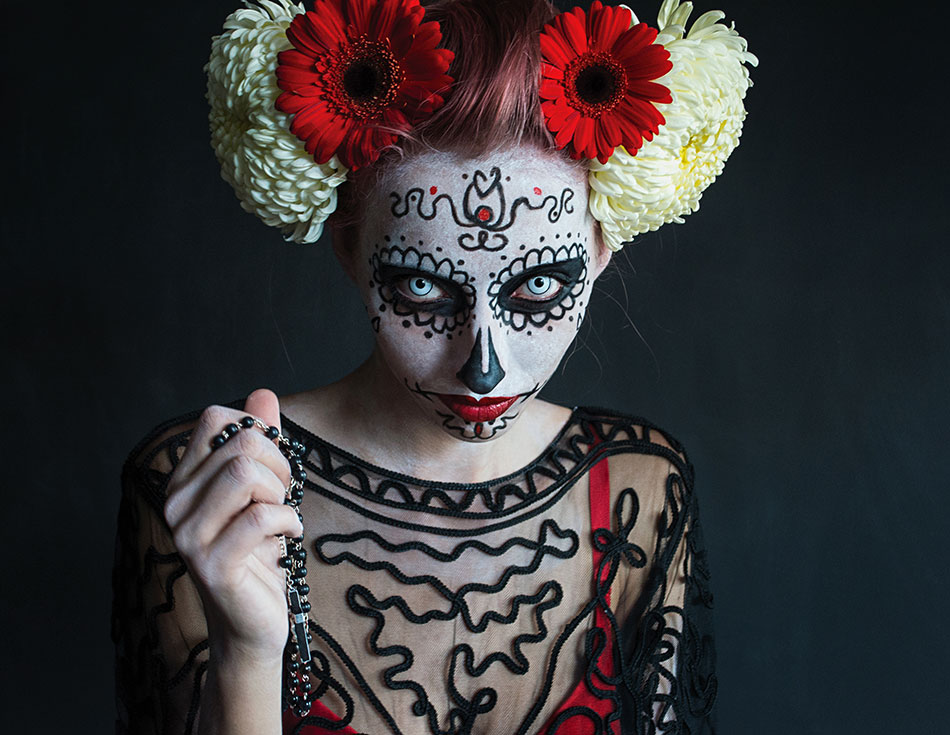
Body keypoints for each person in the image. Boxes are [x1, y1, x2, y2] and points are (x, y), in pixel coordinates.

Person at [111, 0, 755, 733]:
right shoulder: (212, 497)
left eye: (537, 285)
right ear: (348, 253)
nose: (484, 364)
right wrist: (249, 655)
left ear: (601, 253)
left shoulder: (643, 490)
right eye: (423, 285)